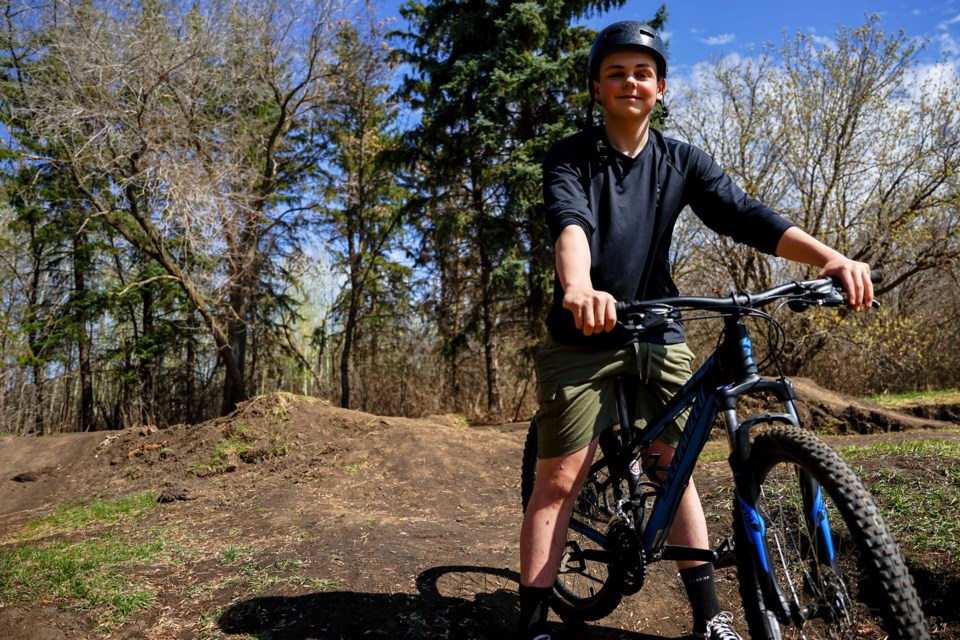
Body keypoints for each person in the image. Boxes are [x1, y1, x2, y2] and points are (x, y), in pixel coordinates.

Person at [517, 20, 874, 640]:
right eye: (616, 72)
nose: (630, 81)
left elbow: (746, 216)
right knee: (559, 481)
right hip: (583, 335)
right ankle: (534, 621)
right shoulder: (570, 156)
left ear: (661, 88)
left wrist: (830, 260)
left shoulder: (681, 161)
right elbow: (569, 223)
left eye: (643, 73)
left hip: (658, 329)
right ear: (596, 89)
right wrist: (578, 289)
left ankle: (710, 619)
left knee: (672, 469)